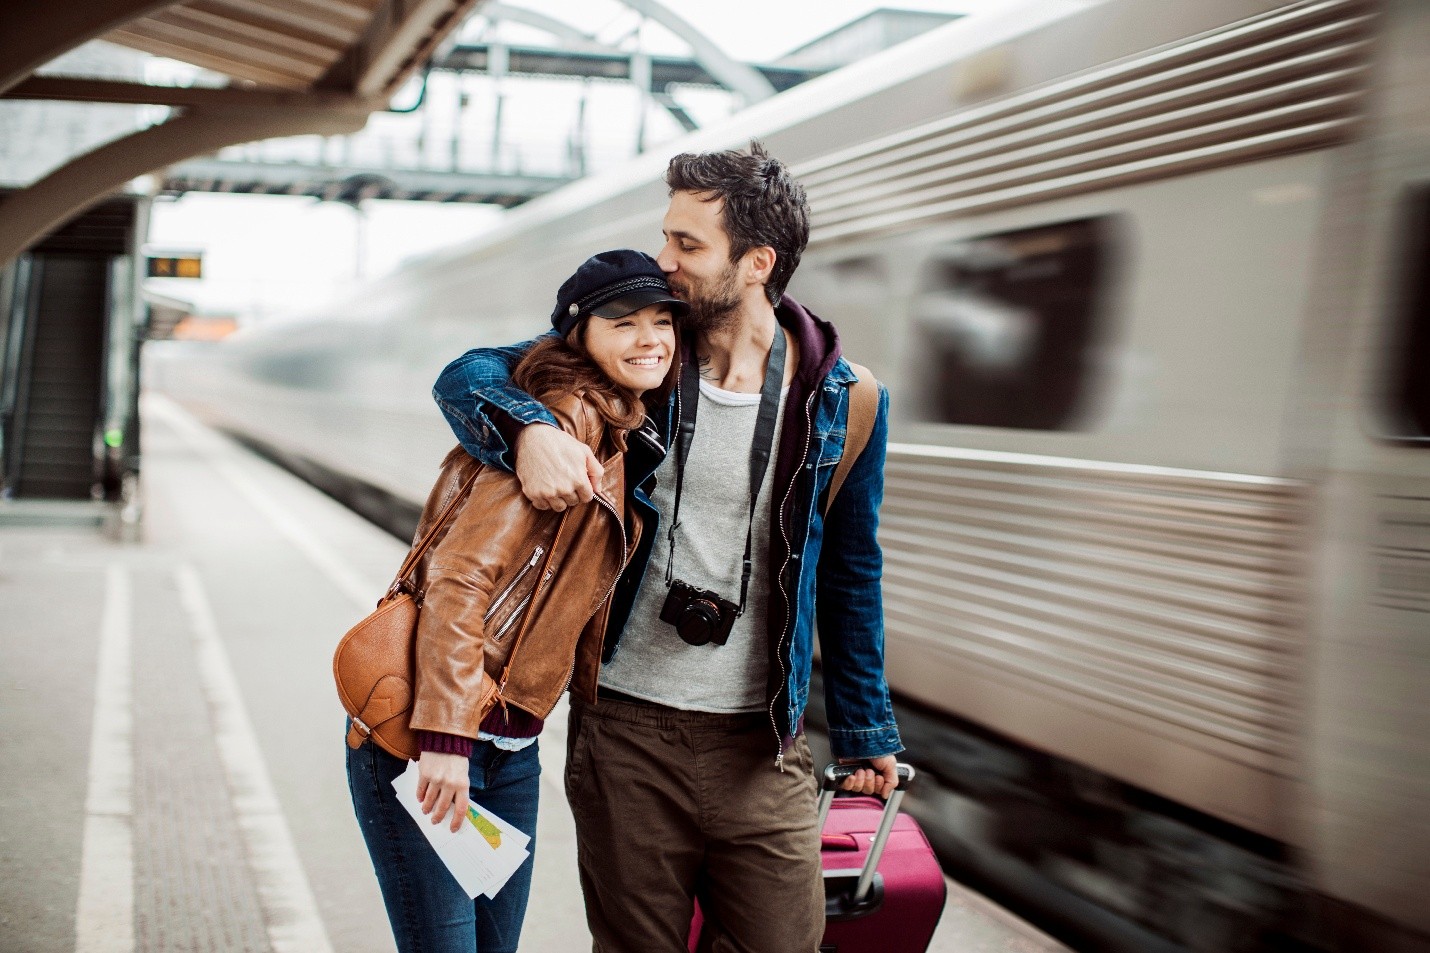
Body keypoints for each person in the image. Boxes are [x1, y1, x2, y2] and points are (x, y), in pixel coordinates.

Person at [432, 141, 904, 953]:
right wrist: (529, 430)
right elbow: (468, 373)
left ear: (756, 263)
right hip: (625, 731)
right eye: (667, 237)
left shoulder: (845, 399)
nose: (665, 262)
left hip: (763, 744)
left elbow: (851, 570)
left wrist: (866, 729)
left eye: (688, 245)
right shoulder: (640, 355)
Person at [346, 249, 687, 953]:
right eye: (624, 323)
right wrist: (446, 739)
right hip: (429, 744)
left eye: (662, 321)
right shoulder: (561, 423)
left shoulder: (625, 425)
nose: (651, 337)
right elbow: (459, 579)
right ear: (579, 336)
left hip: (512, 751)